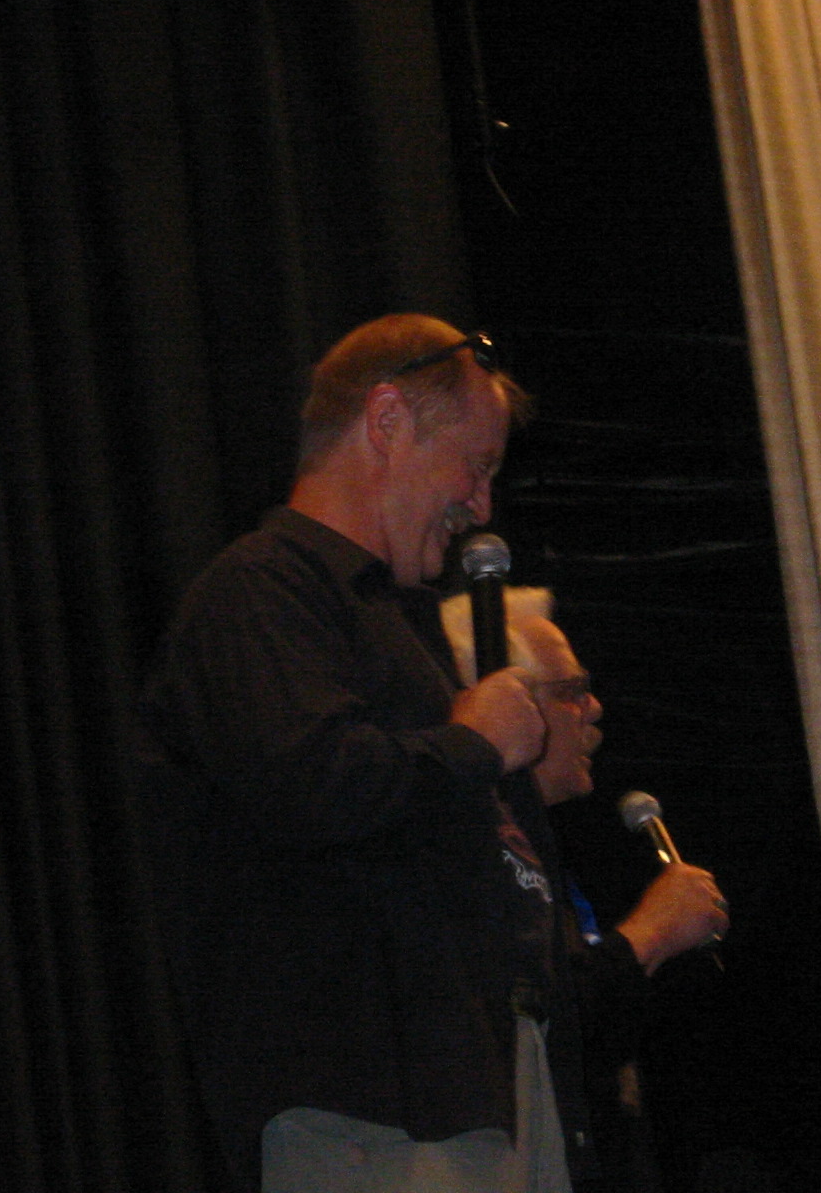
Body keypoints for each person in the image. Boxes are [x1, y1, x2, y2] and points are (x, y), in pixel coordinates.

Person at [134, 314, 727, 1193]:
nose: (481, 506)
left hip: (486, 1100)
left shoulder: (397, 627)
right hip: (374, 1116)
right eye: (475, 467)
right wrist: (472, 742)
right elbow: (311, 785)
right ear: (386, 421)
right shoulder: (262, 590)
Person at [442, 588, 729, 1191]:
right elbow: (541, 1035)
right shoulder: (469, 851)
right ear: (506, 701)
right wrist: (651, 934)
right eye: (571, 691)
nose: (594, 709)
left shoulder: (538, 848)